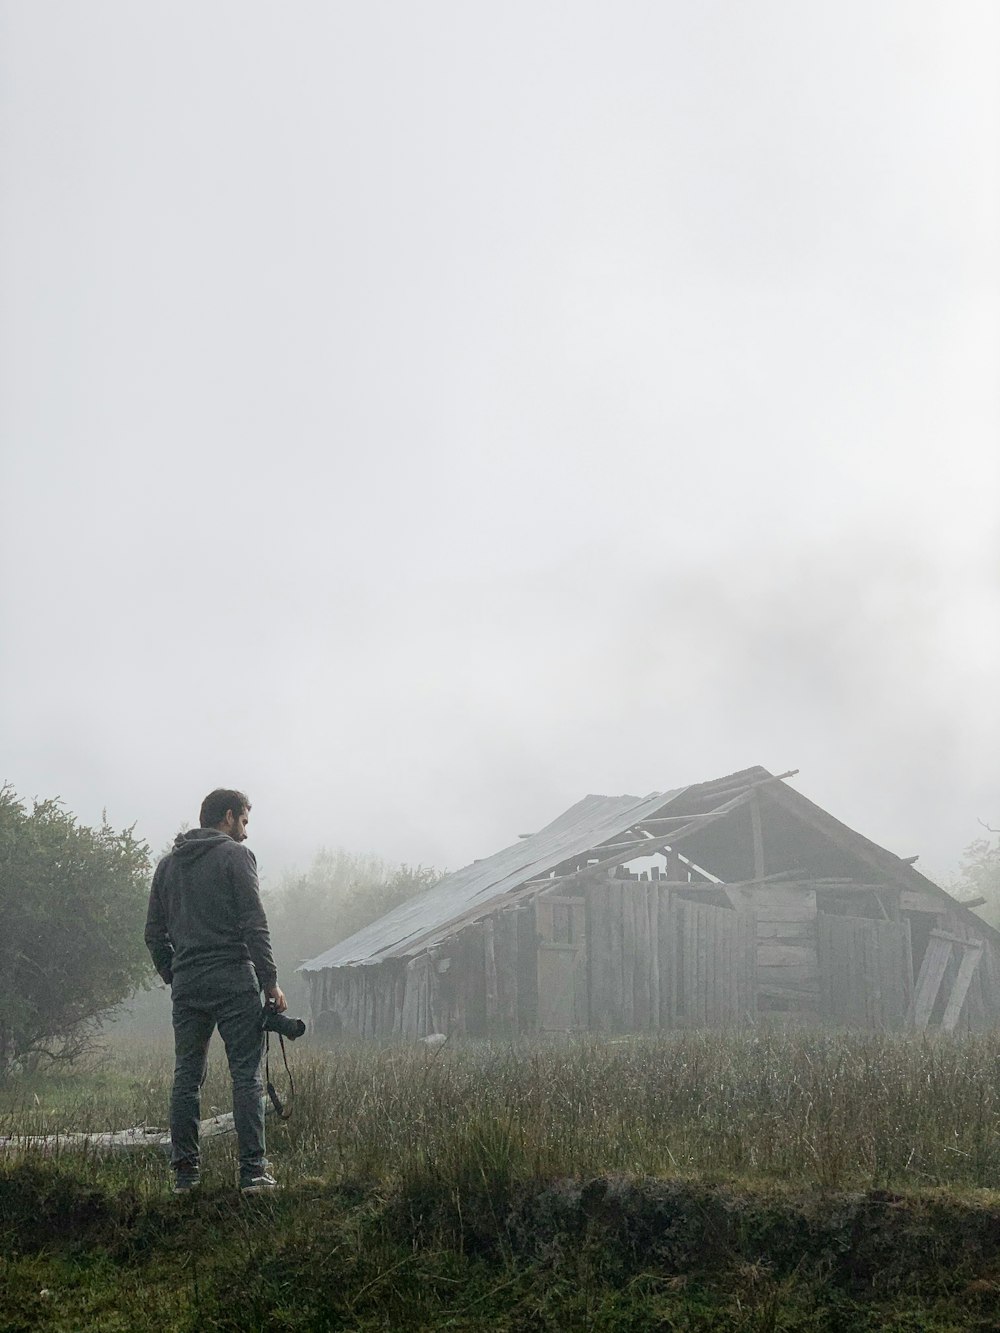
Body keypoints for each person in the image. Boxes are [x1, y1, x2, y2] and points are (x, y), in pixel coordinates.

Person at [144, 788, 286, 1195]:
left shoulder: (168, 866)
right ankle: (253, 1173)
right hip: (233, 982)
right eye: (243, 822)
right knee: (246, 1074)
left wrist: (177, 974)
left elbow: (153, 934)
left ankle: (185, 1177)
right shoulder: (237, 857)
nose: (244, 833)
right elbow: (253, 924)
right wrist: (270, 981)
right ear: (227, 817)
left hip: (188, 986)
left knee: (186, 1078)